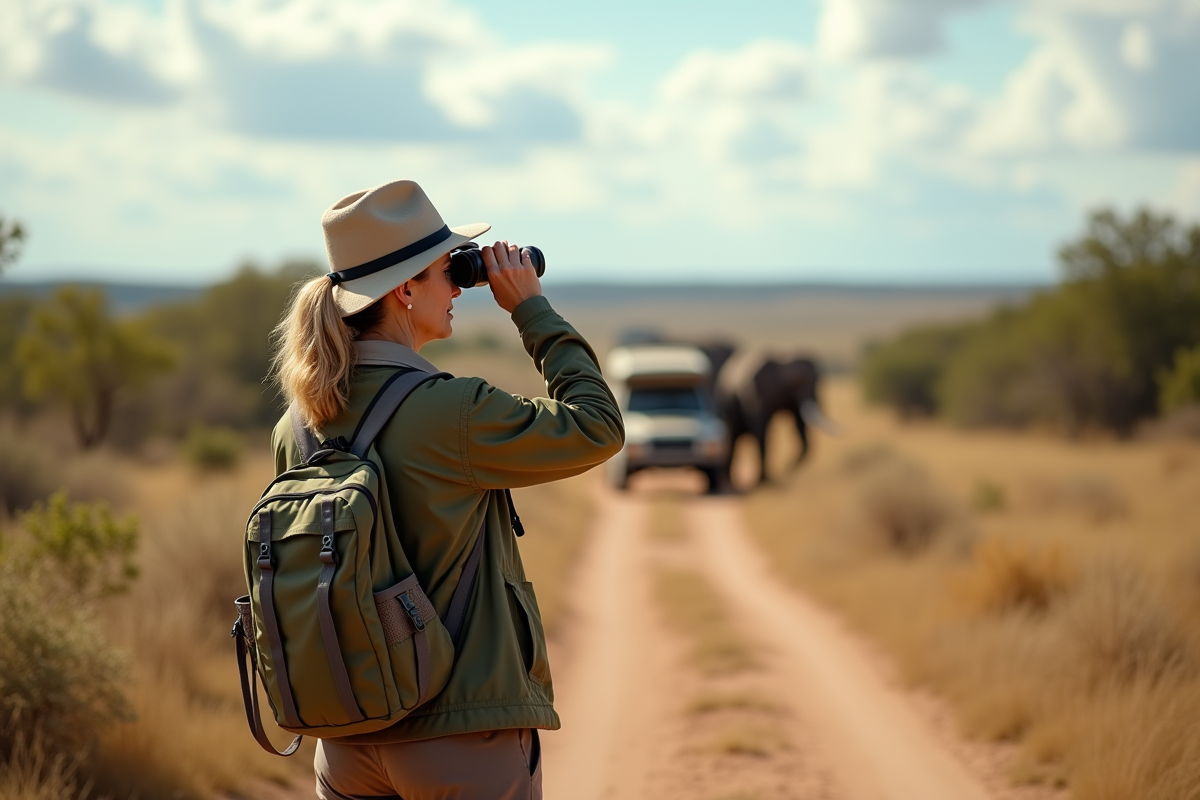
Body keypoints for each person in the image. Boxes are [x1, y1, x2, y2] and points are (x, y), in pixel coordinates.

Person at [269, 179, 624, 799]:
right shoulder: (452, 410)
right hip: (460, 739)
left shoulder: (297, 423)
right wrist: (529, 308)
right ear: (405, 289)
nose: (460, 286)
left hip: (347, 738)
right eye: (447, 271)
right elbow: (598, 426)